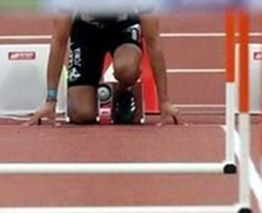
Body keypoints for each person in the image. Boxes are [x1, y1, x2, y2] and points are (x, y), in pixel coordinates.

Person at [25, 10, 183, 126]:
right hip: (86, 31)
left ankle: (123, 91)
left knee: (127, 69)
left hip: (123, 27)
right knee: (81, 115)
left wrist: (164, 101)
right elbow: (59, 41)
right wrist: (50, 100)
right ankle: (89, 83)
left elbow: (153, 41)